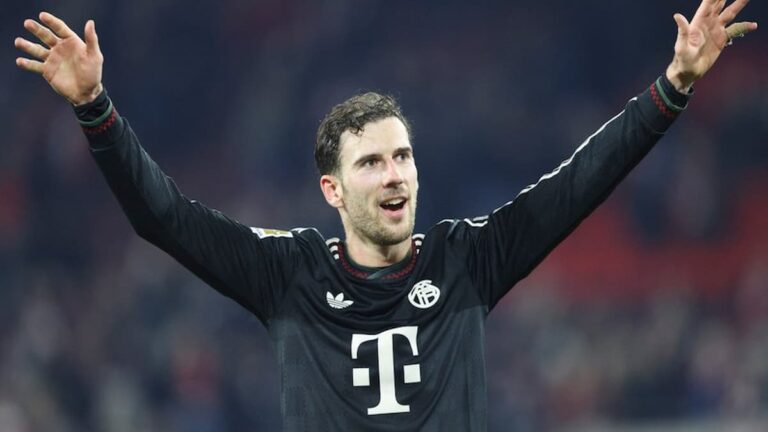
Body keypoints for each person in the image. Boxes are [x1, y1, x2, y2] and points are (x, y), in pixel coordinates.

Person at [14, 1, 756, 430]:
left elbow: (582, 182)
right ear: (332, 190)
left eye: (402, 157)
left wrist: (673, 87)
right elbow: (163, 217)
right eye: (371, 162)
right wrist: (94, 108)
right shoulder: (287, 273)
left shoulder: (467, 259)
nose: (394, 173)